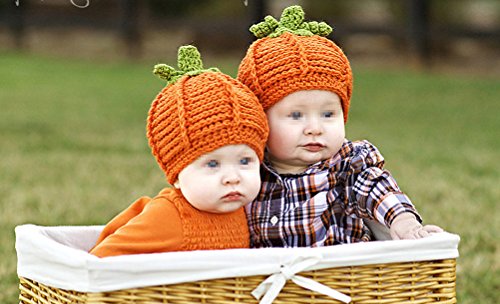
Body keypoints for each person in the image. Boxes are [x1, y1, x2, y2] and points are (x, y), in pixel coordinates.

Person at [237, 5, 442, 248]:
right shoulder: (248, 170)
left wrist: (403, 220)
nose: (315, 128)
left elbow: (375, 187)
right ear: (261, 119)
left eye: (327, 114)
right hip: (267, 283)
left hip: (339, 281)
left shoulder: (344, 167)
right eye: (296, 115)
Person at [90, 45, 268, 257]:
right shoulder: (170, 216)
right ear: (176, 177)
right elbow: (99, 260)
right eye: (212, 164)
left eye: (245, 161)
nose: (232, 178)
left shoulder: (245, 209)